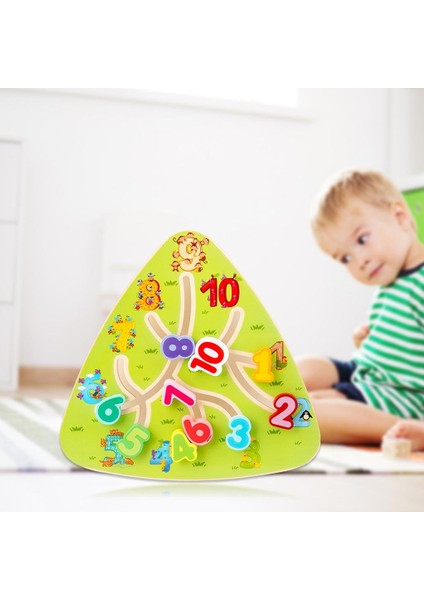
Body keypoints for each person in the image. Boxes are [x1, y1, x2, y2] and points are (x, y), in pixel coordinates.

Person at [297, 170, 424, 447]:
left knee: (305, 413)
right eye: (345, 258)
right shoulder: (391, 281)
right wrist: (369, 339)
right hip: (370, 374)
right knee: (307, 369)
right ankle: (258, 395)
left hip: (403, 392)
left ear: (400, 217)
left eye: (362, 240)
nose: (359, 261)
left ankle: (410, 430)